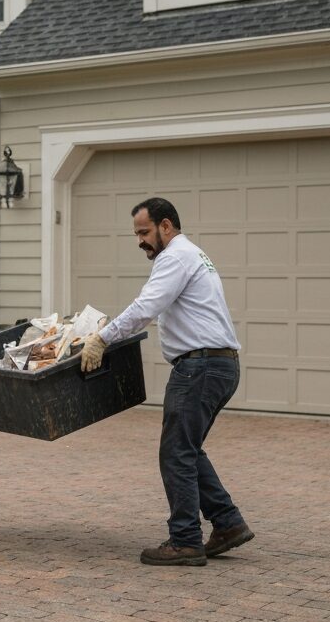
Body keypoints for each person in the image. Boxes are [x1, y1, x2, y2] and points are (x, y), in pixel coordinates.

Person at [80, 197, 252, 566]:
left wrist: (102, 338)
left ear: (166, 226)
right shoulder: (192, 254)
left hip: (200, 368)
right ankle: (227, 523)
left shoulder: (175, 256)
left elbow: (146, 306)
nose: (140, 240)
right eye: (136, 234)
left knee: (176, 453)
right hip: (217, 365)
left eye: (144, 232)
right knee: (186, 450)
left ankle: (185, 540)